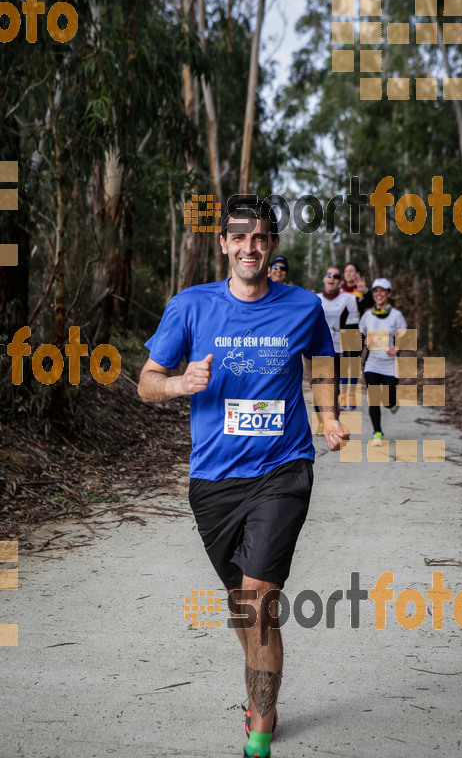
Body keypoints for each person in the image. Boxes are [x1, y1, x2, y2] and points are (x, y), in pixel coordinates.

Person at [137, 199, 347, 758]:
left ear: (272, 245)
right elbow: (146, 382)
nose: (250, 247)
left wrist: (328, 415)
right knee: (242, 608)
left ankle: (260, 725)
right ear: (225, 245)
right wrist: (180, 385)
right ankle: (263, 682)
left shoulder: (303, 307)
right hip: (214, 480)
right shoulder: (190, 306)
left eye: (260, 238)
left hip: (283, 469)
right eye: (240, 238)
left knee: (257, 599)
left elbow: (323, 366)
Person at [359, 278, 407, 444]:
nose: (378, 294)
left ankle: (392, 404)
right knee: (373, 399)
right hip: (372, 363)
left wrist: (397, 347)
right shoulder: (366, 316)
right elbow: (361, 334)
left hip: (390, 364)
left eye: (382, 291)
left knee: (387, 400)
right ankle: (377, 433)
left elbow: (404, 336)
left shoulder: (396, 315)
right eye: (375, 291)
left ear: (389, 293)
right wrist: (364, 340)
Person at [317, 267, 359, 413]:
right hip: (320, 349)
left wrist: (352, 349)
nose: (331, 278)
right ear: (324, 278)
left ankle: (332, 420)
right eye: (328, 275)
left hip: (340, 349)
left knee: (334, 385)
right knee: (320, 384)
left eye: (335, 276)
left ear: (340, 282)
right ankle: (322, 419)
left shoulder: (349, 299)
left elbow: (354, 323)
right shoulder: (316, 299)